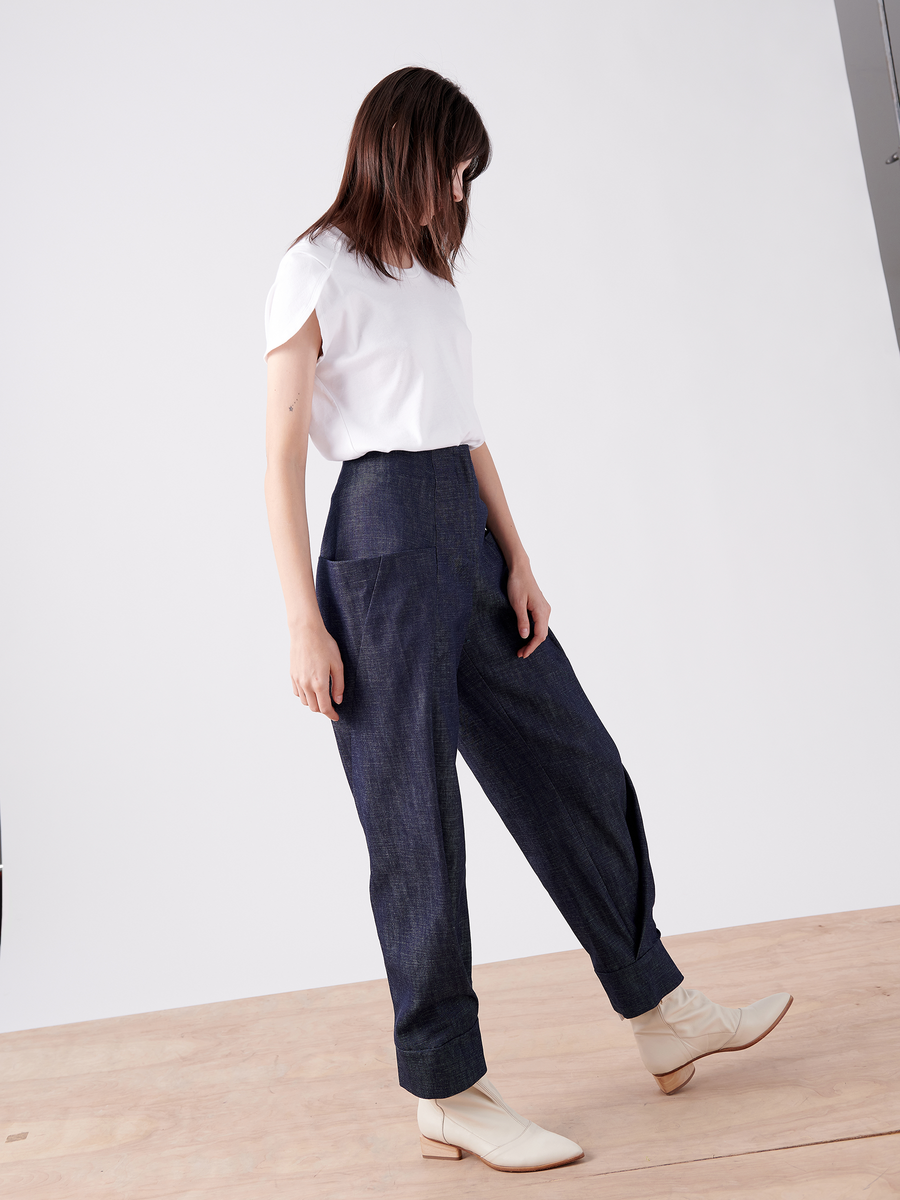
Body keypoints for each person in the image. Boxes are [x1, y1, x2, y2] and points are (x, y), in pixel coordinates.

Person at [263, 66, 792, 1174]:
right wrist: (302, 620)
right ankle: (449, 1087)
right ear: (407, 153)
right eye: (456, 169)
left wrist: (520, 559)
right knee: (418, 827)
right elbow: (275, 459)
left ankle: (658, 1007)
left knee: (576, 766)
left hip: (462, 532)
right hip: (377, 549)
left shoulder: (435, 286)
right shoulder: (315, 270)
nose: (462, 193)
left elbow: (468, 432)